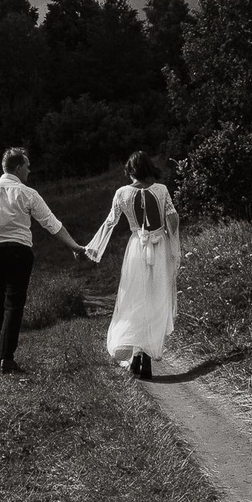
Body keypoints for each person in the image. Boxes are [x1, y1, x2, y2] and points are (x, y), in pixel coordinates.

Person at [0, 145, 90, 373]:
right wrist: (74, 246)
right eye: (28, 167)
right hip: (19, 252)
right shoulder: (28, 194)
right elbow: (51, 223)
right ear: (19, 167)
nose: (29, 171)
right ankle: (7, 358)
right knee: (14, 304)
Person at [82, 150, 179, 379]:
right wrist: (172, 242)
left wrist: (93, 248)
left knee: (136, 299)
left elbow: (110, 222)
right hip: (159, 245)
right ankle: (145, 355)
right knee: (155, 298)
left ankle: (136, 355)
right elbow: (173, 218)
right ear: (148, 168)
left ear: (131, 171)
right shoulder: (161, 190)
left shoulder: (121, 193)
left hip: (136, 247)